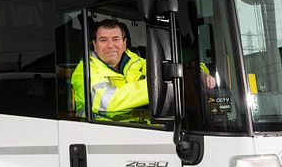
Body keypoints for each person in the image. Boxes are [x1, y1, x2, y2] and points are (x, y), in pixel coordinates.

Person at [71, 19, 215, 121]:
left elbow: (168, 68)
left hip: (142, 133)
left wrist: (198, 73)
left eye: (115, 39)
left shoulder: (136, 62)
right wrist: (158, 84)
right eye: (103, 40)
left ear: (124, 43)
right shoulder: (84, 71)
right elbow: (109, 102)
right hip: (99, 138)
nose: (110, 45)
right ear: (94, 45)